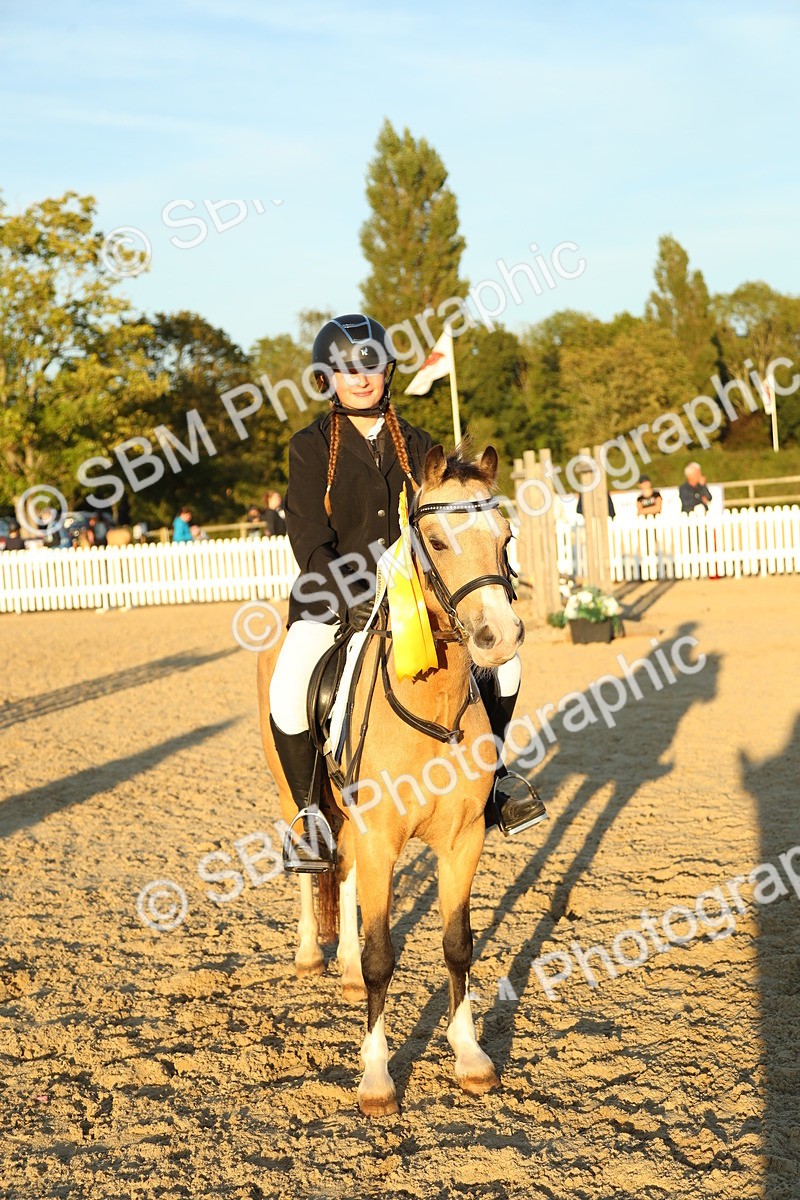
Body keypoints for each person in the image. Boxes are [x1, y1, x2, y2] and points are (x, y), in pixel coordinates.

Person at [268, 313, 546, 869]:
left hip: (418, 599)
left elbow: (449, 523)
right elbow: (308, 538)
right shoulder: (307, 447)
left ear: (387, 371)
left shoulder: (420, 445)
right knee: (289, 682)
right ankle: (310, 815)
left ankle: (495, 784)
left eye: (370, 364)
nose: (361, 376)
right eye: (347, 368)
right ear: (328, 378)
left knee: (506, 665)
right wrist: (354, 593)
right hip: (334, 597)